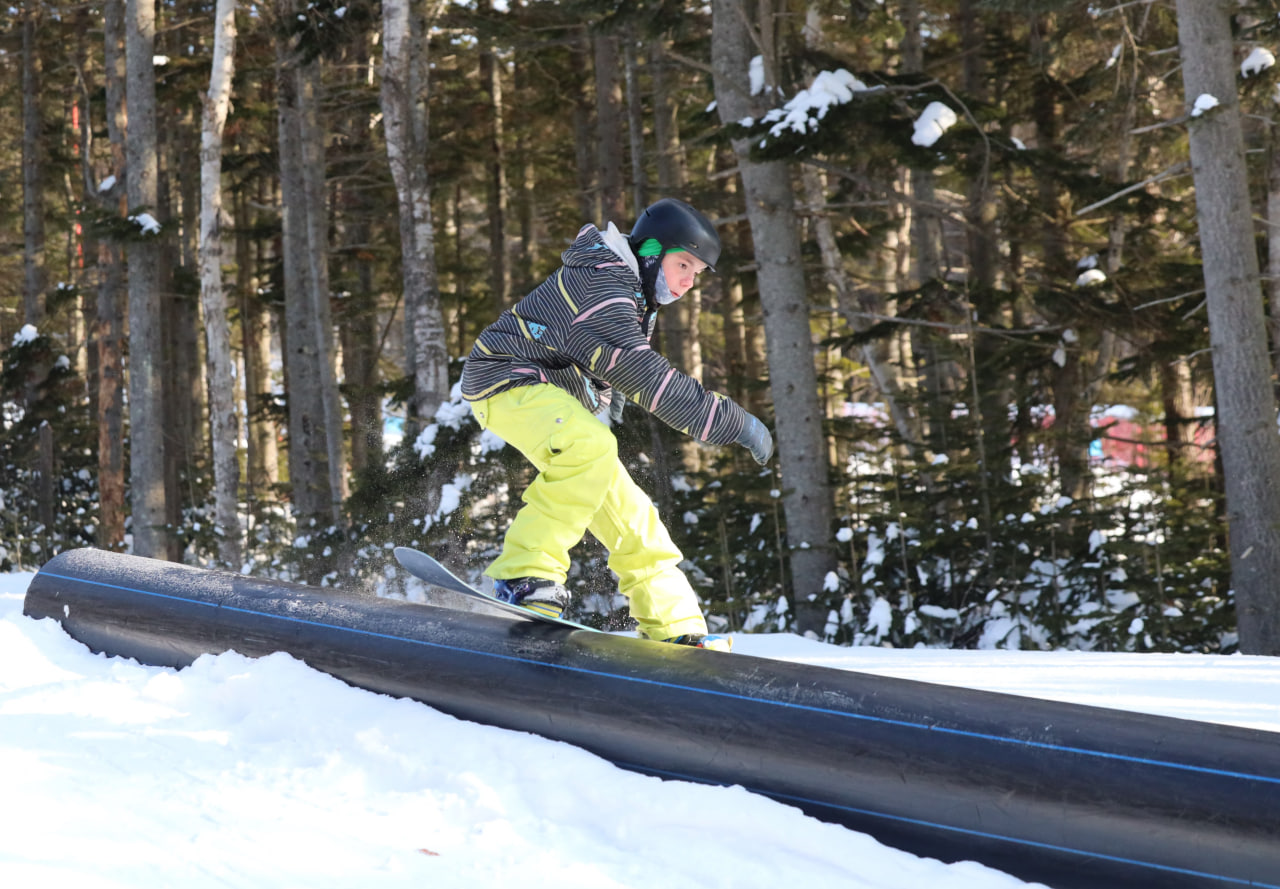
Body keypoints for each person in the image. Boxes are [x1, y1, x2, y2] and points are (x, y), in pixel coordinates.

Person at [459, 198, 773, 651]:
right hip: (506, 377)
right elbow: (643, 373)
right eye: (683, 264)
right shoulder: (602, 284)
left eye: (696, 274)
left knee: (632, 510)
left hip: (553, 394)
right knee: (591, 447)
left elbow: (606, 365)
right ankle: (524, 575)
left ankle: (673, 623)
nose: (687, 282)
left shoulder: (629, 291)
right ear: (648, 251)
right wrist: (731, 421)